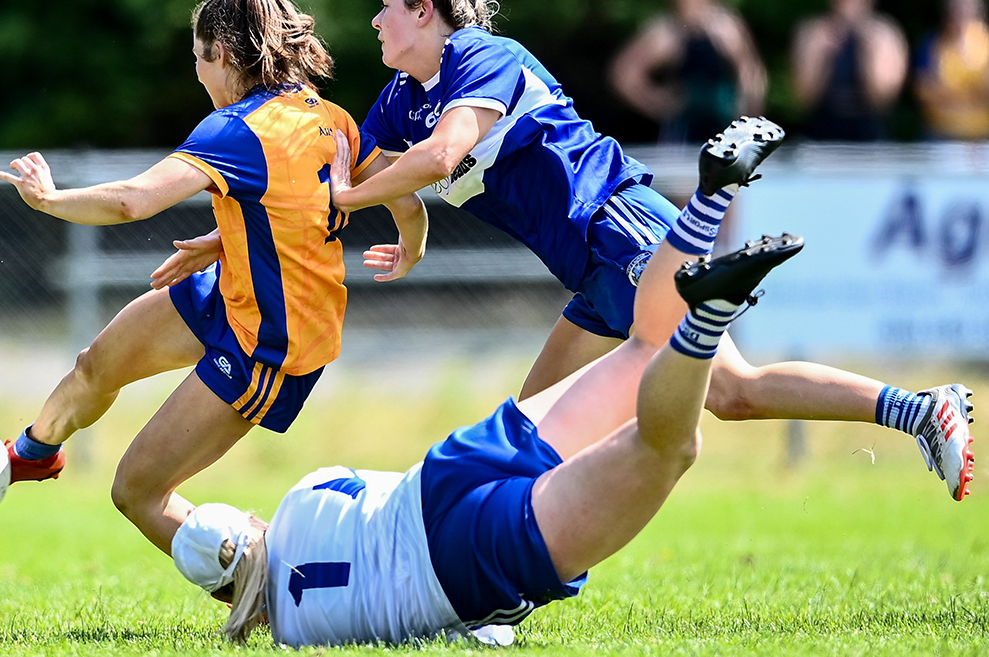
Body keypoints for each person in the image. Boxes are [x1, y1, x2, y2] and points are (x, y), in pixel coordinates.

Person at [168, 149, 975, 644]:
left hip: (466, 555)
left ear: (232, 602)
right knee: (653, 361)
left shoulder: (297, 635)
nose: (380, 19)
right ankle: (710, 204)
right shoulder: (301, 497)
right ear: (249, 524)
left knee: (672, 440)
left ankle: (719, 313)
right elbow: (370, 487)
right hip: (443, 473)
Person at [314, 0, 966, 499]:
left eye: (385, 6)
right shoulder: (400, 101)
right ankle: (510, 587)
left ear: (424, 11)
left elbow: (438, 157)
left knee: (728, 392)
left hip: (620, 227)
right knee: (528, 431)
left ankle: (920, 411)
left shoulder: (482, 57)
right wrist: (411, 238)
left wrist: (344, 197)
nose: (375, 21)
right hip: (592, 270)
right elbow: (386, 177)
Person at [0, 0, 428, 556]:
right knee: (95, 365)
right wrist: (408, 249)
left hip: (274, 341)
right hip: (231, 292)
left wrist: (50, 200)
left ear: (221, 53)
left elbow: (132, 202)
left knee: (138, 491)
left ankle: (289, 589)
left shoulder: (236, 129)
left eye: (198, 58)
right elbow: (405, 203)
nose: (197, 74)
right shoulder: (333, 119)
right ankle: (34, 452)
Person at [610, 0, 767, 144]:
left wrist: (750, 111)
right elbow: (624, 74)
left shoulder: (727, 27)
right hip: (684, 131)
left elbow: (750, 71)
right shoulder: (666, 32)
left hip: (725, 126)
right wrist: (657, 103)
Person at [791, 0, 908, 141]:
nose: (849, 8)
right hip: (821, 132)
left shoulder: (885, 34)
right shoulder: (813, 32)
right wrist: (823, 58)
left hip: (871, 133)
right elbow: (803, 100)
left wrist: (867, 55)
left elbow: (884, 100)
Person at [915, 0, 989, 140]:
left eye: (966, 4)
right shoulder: (931, 43)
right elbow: (925, 94)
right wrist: (972, 94)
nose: (961, 10)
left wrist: (948, 95)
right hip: (940, 134)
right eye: (955, 4)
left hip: (982, 137)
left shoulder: (986, 44)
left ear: (978, 7)